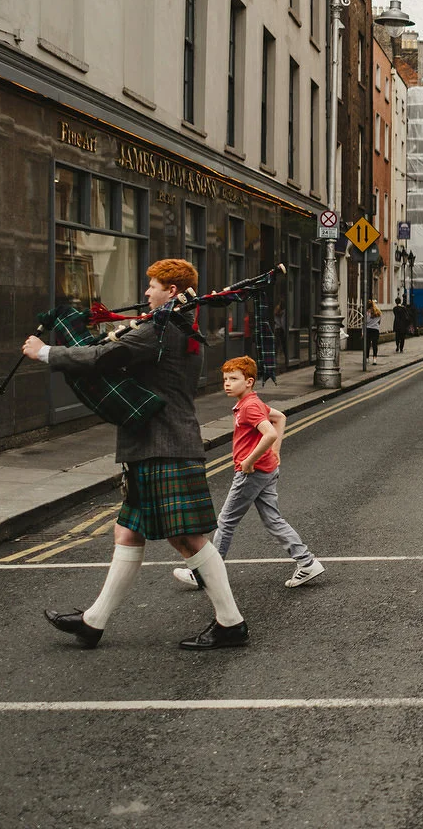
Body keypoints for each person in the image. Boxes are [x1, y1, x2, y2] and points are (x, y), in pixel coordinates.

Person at [24, 259, 249, 651]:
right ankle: (93, 622)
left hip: (164, 445)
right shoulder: (176, 326)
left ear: (172, 292)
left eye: (153, 286)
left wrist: (47, 353)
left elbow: (100, 359)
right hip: (155, 444)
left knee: (188, 539)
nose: (146, 292)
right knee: (128, 531)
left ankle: (231, 623)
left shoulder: (160, 332)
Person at [174, 357, 324, 591]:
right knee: (273, 520)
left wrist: (249, 461)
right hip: (266, 470)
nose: (227, 383)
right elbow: (279, 418)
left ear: (249, 381)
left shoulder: (249, 407)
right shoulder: (251, 402)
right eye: (225, 379)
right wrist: (274, 453)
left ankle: (205, 574)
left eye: (234, 379)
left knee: (225, 521)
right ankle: (307, 562)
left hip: (252, 473)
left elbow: (269, 433)